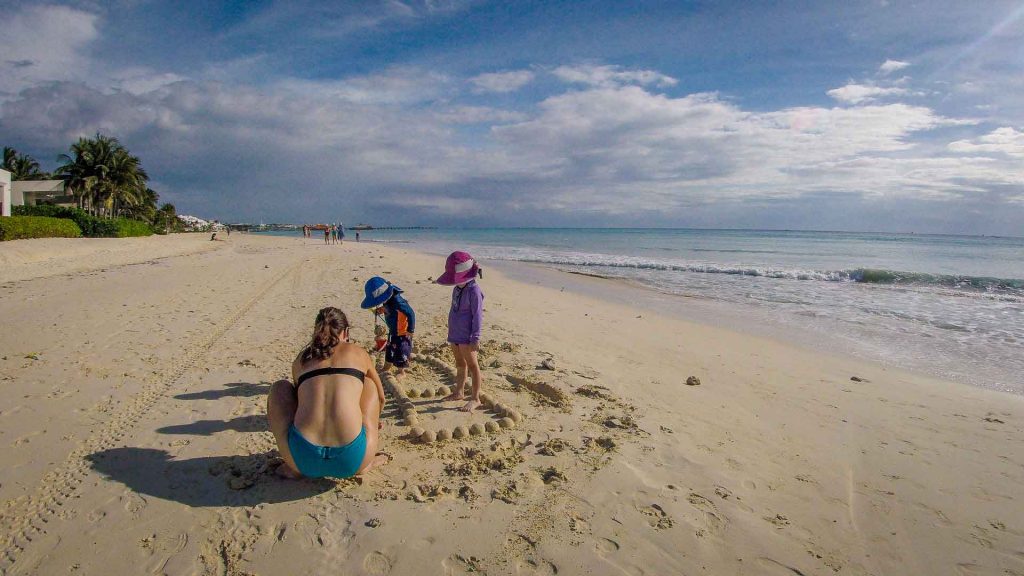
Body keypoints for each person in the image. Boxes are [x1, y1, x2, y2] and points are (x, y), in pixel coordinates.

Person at [267, 307, 388, 479]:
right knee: (369, 385)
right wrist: (374, 422)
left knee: (280, 388)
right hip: (352, 460)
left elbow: (297, 404)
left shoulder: (302, 359)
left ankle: (292, 468)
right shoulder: (358, 353)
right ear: (345, 332)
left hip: (302, 459)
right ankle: (365, 463)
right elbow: (381, 398)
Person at [435, 251, 484, 411]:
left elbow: (477, 315)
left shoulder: (474, 291)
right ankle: (459, 392)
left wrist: (475, 337)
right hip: (455, 333)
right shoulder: (457, 288)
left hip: (467, 335)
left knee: (472, 365)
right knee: (459, 363)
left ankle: (475, 398)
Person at [361, 276, 415, 379]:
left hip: (403, 332)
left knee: (401, 350)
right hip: (393, 330)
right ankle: (387, 367)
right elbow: (389, 308)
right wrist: (382, 309)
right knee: (390, 349)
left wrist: (411, 329)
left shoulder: (398, 302)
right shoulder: (388, 299)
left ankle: (402, 371)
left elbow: (411, 313)